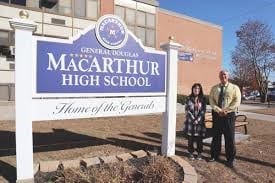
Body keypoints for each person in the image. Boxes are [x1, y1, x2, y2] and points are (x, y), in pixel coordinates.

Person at [209, 70, 241, 168]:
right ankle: (214, 155)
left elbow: (237, 101)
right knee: (216, 137)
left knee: (230, 138)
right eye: (221, 74)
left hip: (229, 115)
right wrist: (219, 110)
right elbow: (211, 100)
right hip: (217, 115)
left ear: (228, 76)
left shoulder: (234, 88)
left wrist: (226, 110)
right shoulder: (214, 88)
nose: (223, 76)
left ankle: (230, 159)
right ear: (219, 76)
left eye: (225, 75)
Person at [184, 83, 206, 160]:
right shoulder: (188, 98)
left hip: (200, 123)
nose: (196, 90)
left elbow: (203, 110)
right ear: (192, 89)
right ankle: (191, 153)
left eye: (198, 89)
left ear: (200, 90)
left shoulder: (203, 99)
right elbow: (187, 110)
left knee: (199, 139)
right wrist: (193, 119)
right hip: (191, 122)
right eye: (195, 88)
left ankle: (199, 153)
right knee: (190, 139)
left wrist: (198, 119)